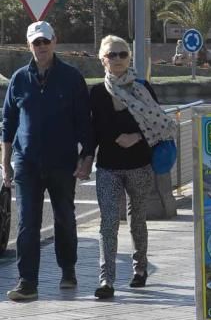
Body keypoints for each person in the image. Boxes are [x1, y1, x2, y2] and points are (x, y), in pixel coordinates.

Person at [1, 21, 94, 302]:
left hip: (62, 162)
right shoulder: (18, 79)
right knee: (28, 222)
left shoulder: (71, 78)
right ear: (29, 46)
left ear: (55, 41)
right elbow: (8, 124)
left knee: (64, 216)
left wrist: (86, 156)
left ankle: (68, 269)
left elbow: (84, 123)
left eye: (45, 41)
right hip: (26, 163)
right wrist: (5, 163)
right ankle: (27, 282)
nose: (41, 47)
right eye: (35, 43)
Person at [89, 35, 175, 299]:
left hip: (139, 163)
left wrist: (136, 137)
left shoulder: (142, 87)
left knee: (137, 218)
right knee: (108, 223)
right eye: (111, 55)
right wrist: (84, 159)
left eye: (122, 54)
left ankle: (140, 269)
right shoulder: (96, 92)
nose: (117, 59)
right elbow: (95, 127)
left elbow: (157, 122)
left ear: (129, 58)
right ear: (102, 60)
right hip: (108, 166)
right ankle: (107, 280)